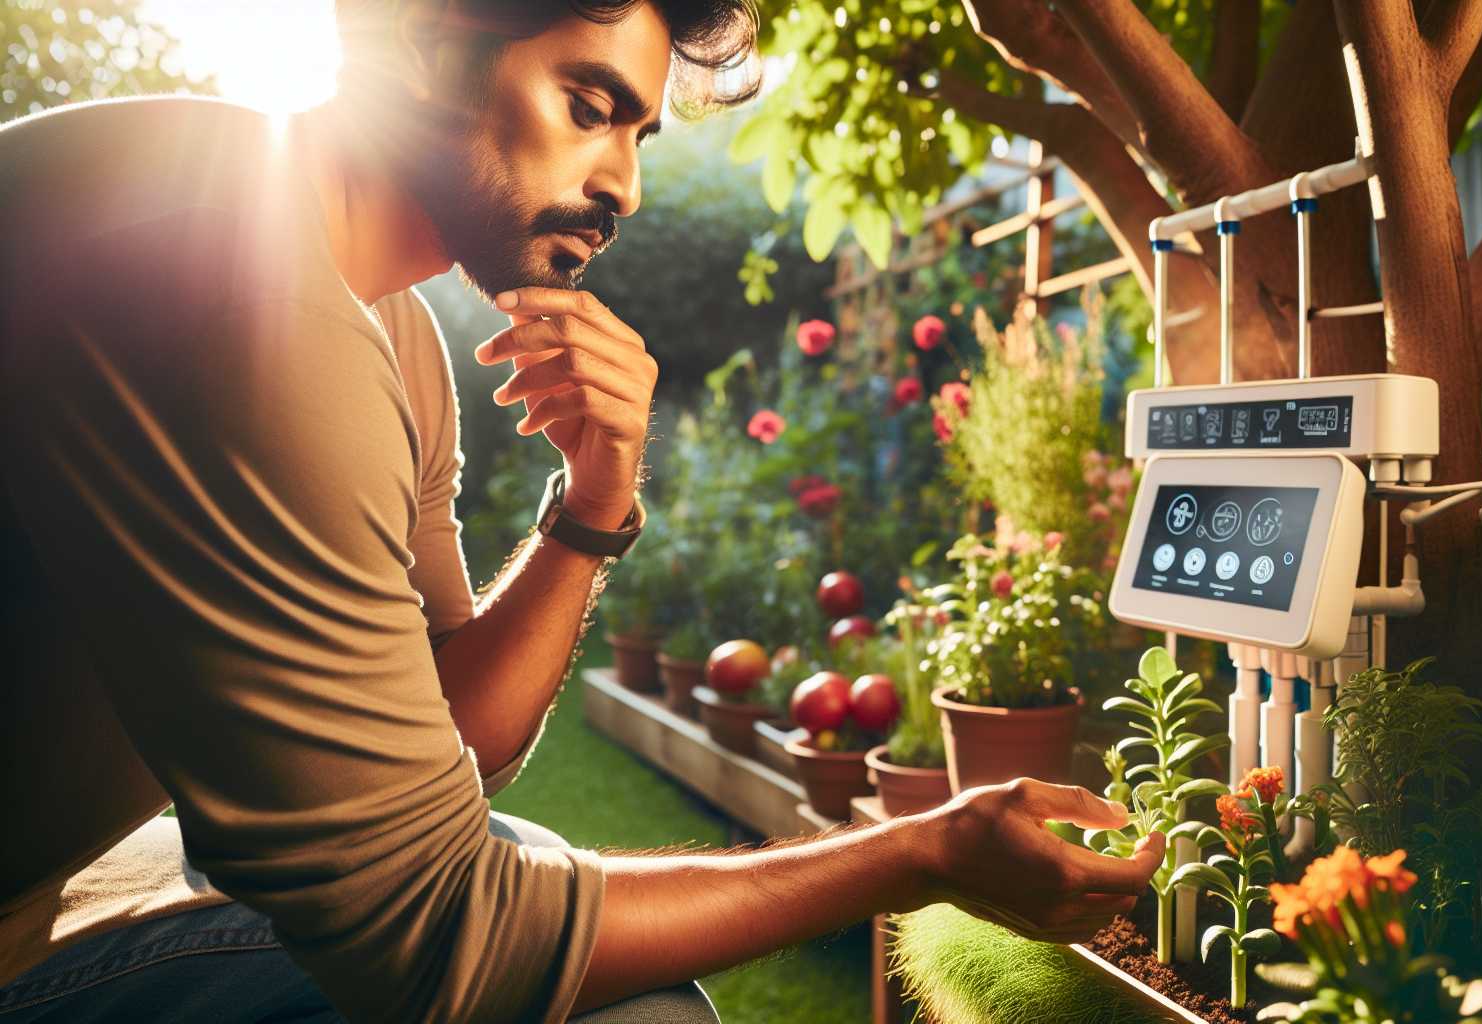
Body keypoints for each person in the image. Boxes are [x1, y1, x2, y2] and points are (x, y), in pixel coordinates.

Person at [0, 1, 1166, 1020]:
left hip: (56, 890)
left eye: (638, 132)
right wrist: (925, 848)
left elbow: (448, 738)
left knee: (554, 887)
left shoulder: (382, 327)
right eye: (587, 103)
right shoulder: (221, 280)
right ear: (418, 43)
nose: (625, 186)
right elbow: (434, 946)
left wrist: (595, 502)